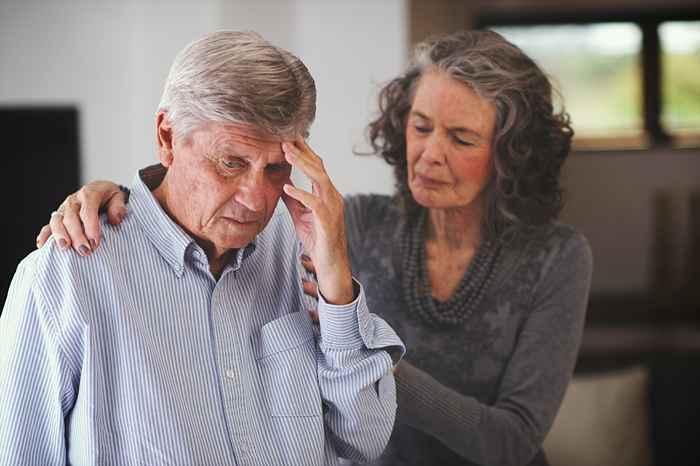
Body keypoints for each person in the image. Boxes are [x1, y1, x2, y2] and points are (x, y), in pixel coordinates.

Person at [35, 30, 592, 466]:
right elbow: (198, 199)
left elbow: (511, 440)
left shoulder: (555, 258)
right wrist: (119, 199)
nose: (429, 154)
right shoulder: (354, 223)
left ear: (509, 152)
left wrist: (358, 346)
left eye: (462, 138)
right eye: (420, 126)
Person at [1, 31, 405, 466]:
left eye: (275, 168)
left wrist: (338, 290)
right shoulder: (65, 277)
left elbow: (363, 440)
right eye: (231, 163)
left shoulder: (305, 256)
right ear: (167, 137)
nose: (256, 198)